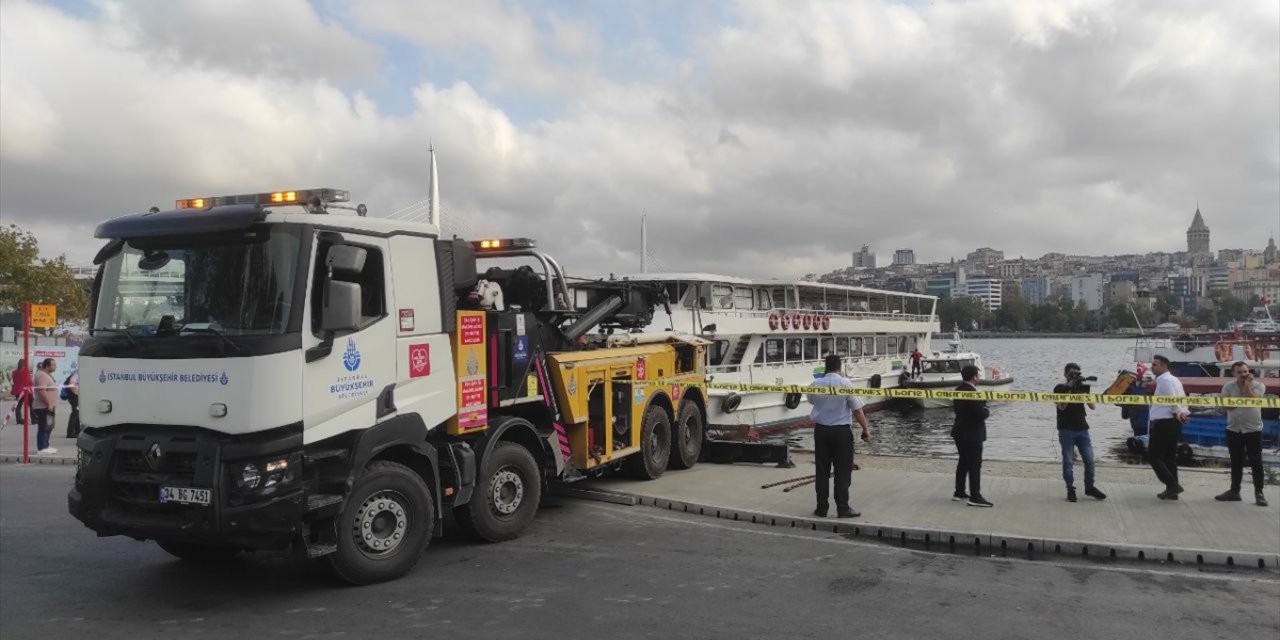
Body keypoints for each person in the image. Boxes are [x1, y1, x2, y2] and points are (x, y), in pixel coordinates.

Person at [807, 354, 872, 518]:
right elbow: (857, 410)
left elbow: (812, 401)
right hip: (841, 432)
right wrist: (865, 429)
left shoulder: (815, 384)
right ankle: (842, 508)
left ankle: (821, 508)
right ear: (840, 367)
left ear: (825, 367)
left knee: (821, 470)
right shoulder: (846, 383)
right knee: (842, 471)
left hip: (821, 431)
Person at [1215, 362, 1268, 507]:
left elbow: (1254, 401)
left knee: (1256, 462)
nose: (1244, 374)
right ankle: (1234, 491)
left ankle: (1259, 493)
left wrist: (1246, 387)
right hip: (1234, 429)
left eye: (1246, 371)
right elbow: (1224, 406)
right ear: (1234, 374)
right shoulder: (1228, 387)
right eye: (1240, 372)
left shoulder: (1258, 385)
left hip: (1253, 430)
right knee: (1236, 462)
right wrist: (1242, 401)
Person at [1053, 363, 1107, 502]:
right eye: (1072, 374)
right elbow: (1062, 406)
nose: (1075, 376)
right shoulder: (1060, 388)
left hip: (1082, 429)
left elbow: (1093, 406)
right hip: (1066, 430)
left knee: (1089, 460)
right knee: (1068, 461)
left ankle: (1089, 487)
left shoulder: (1082, 387)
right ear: (1065, 374)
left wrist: (1084, 392)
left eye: (1077, 373)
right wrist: (1069, 389)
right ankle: (1070, 489)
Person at [951, 365, 992, 507]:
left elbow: (960, 410)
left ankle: (959, 491)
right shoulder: (973, 393)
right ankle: (975, 496)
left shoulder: (958, 390)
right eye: (978, 375)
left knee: (963, 462)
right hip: (972, 433)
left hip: (959, 431)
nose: (979, 378)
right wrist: (986, 407)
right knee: (975, 465)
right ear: (974, 376)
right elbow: (980, 414)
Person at [1148, 355, 1188, 500]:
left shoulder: (1165, 381)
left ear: (1164, 366)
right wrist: (1183, 413)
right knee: (1169, 458)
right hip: (1173, 423)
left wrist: (1178, 412)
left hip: (1164, 423)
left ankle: (1172, 485)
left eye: (1154, 365)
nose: (1151, 367)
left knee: (1153, 456)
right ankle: (1173, 491)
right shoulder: (1174, 379)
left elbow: (1172, 401)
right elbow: (1181, 399)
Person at [30, 358, 58, 455]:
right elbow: (42, 391)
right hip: (43, 406)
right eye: (53, 365)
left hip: (48, 406)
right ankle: (41, 447)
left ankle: (46, 445)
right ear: (47, 366)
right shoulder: (42, 375)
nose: (55, 367)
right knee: (43, 426)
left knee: (49, 426)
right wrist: (49, 404)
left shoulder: (46, 375)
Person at [63, 369, 81, 439]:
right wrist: (77, 393)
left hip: (74, 395)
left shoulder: (77, 372)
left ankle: (77, 431)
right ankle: (70, 433)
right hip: (74, 395)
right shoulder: (77, 373)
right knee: (75, 413)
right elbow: (72, 384)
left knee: (77, 413)